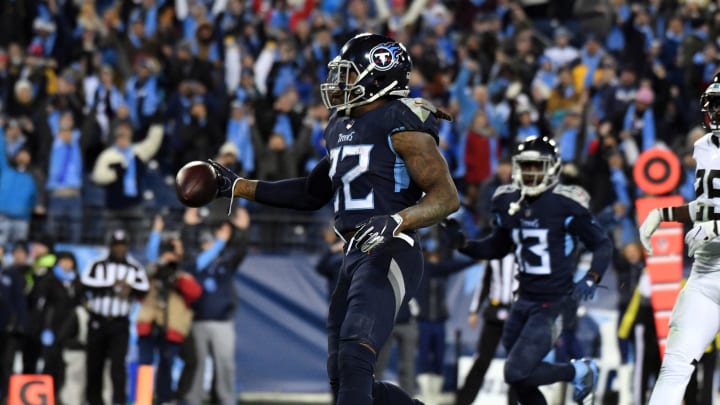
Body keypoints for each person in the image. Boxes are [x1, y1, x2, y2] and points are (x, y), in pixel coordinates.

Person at [205, 33, 459, 405]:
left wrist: (398, 220)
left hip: (391, 248)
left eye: (349, 74)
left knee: (357, 358)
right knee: (343, 375)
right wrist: (238, 187)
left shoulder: (401, 120)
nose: (340, 84)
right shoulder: (340, 127)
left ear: (380, 76)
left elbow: (446, 198)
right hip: (354, 254)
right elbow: (311, 191)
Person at [448, 136, 612, 405]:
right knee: (522, 379)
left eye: (538, 166)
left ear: (552, 168)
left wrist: (592, 277)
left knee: (514, 371)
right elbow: (498, 246)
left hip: (556, 301)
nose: (531, 173)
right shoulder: (507, 200)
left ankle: (580, 370)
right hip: (522, 300)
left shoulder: (566, 203)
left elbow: (602, 244)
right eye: (526, 166)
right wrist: (465, 245)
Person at [638, 76, 720, 405]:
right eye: (714, 104)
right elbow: (707, 206)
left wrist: (716, 228)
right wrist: (665, 213)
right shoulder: (703, 147)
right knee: (674, 367)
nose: (716, 111)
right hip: (706, 274)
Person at [80, 229, 150, 405]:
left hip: (119, 323)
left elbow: (144, 288)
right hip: (98, 320)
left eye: (122, 245)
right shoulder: (97, 265)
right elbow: (84, 282)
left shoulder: (134, 267)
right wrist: (111, 286)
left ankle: (118, 401)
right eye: (116, 245)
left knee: (118, 365)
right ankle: (94, 400)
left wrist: (129, 289)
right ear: (110, 246)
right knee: (95, 363)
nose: (119, 249)